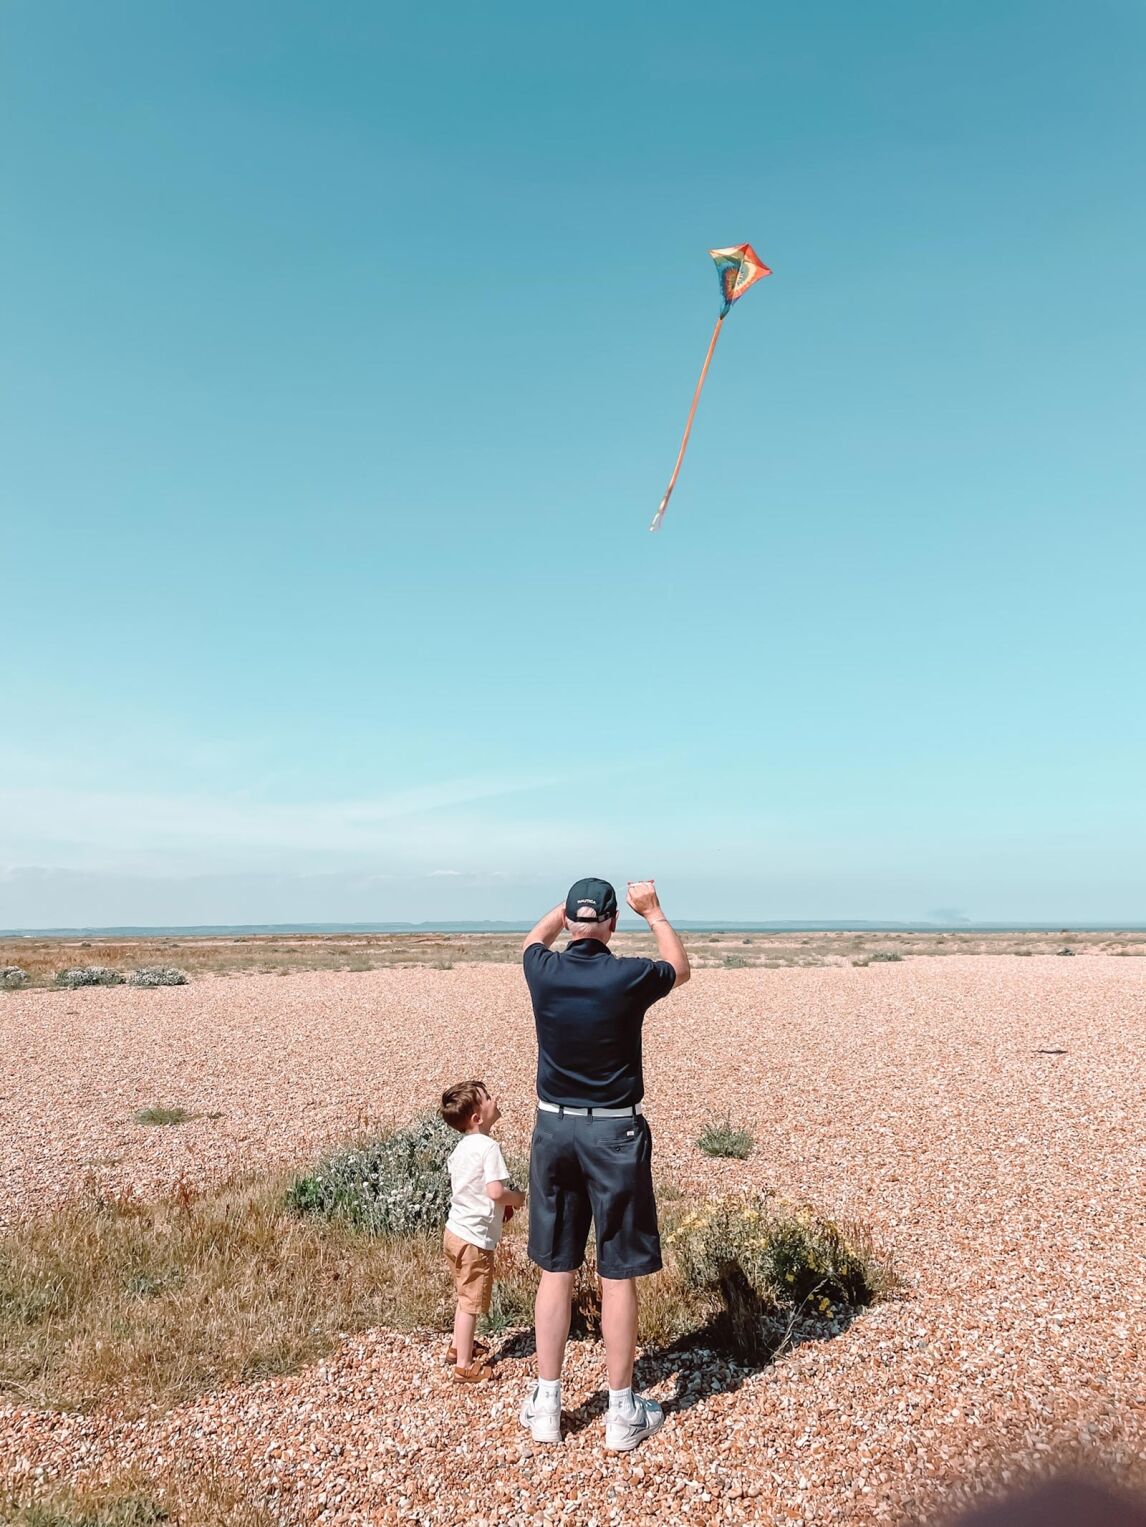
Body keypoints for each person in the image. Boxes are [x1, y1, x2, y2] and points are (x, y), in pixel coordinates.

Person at [517, 877, 690, 1451]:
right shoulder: (628, 976)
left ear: (570, 922)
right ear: (613, 923)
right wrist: (656, 911)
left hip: (554, 1127)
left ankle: (547, 1403)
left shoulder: (543, 971)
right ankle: (620, 1412)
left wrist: (564, 911)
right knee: (616, 1269)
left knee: (556, 1267)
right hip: (613, 1129)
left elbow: (528, 941)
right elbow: (679, 967)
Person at [439, 1080, 526, 1383]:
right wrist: (517, 1198)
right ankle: (464, 1365)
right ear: (477, 1117)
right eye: (488, 1098)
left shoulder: (460, 1149)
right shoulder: (489, 1148)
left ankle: (457, 1346)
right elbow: (494, 1191)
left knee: (464, 1293)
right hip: (474, 1239)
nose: (494, 1099)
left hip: (454, 1231)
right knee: (471, 1300)